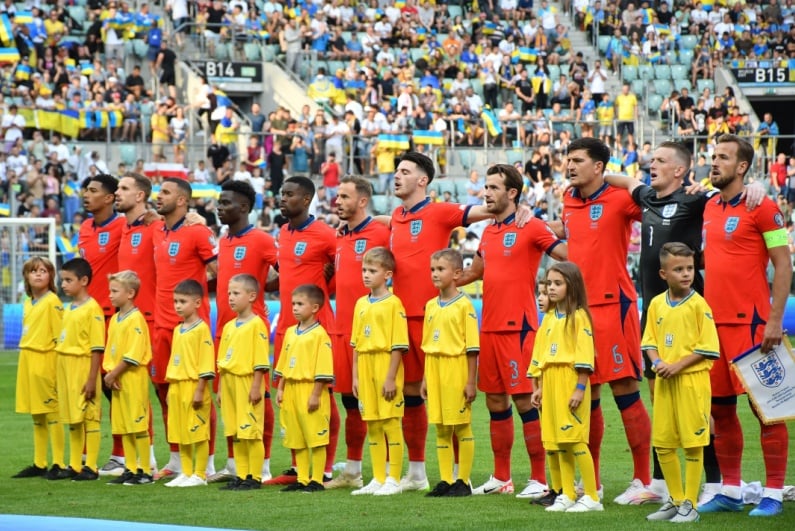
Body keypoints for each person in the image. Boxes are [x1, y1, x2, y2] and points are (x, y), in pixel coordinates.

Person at [387, 151, 529, 490]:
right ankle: (418, 473)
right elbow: (383, 223)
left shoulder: (440, 212)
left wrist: (520, 209)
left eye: (404, 171)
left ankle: (456, 476)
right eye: (396, 171)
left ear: (422, 180)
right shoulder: (394, 215)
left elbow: (488, 209)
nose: (396, 176)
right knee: (410, 396)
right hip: (400, 316)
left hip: (437, 318)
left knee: (447, 399)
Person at [458, 164, 566, 499]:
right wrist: (437, 279)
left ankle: (538, 478)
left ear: (512, 193)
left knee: (524, 401)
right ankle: (501, 477)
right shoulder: (488, 232)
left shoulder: (531, 226)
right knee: (494, 402)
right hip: (488, 327)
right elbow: (473, 271)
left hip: (518, 328)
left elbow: (566, 255)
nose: (486, 192)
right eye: (485, 187)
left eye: (493, 187)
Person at [555, 137, 653, 504]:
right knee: (586, 394)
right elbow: (572, 237)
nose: (570, 165)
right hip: (578, 311)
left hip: (615, 306)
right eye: (568, 160)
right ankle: (590, 482)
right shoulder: (568, 198)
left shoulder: (620, 198)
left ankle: (644, 481)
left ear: (599, 167)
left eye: (578, 160)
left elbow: (658, 211)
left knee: (625, 389)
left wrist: (626, 180)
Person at [698, 135, 791, 517]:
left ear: (741, 167)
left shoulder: (763, 206)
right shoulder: (708, 206)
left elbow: (783, 265)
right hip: (713, 328)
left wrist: (774, 321)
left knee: (767, 410)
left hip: (753, 326)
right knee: (720, 411)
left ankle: (772, 493)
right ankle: (732, 490)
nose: (714, 162)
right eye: (712, 155)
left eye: (723, 157)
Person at [266, 176, 338, 486]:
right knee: (291, 399)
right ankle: (300, 468)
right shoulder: (283, 231)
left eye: (289, 194)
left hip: (318, 326)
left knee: (324, 398)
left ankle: (327, 468)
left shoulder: (323, 233)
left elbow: (345, 267)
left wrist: (329, 282)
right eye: (281, 193)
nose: (282, 198)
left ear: (306, 199)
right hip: (287, 326)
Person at [643, 243, 719, 523]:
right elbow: (649, 341)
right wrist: (657, 362)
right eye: (679, 269)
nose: (686, 274)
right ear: (664, 273)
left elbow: (708, 348)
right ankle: (674, 500)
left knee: (692, 443)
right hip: (665, 383)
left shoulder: (699, 305)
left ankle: (690, 504)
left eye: (689, 268)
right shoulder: (656, 304)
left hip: (691, 383)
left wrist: (676, 365)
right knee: (663, 443)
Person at [212, 180, 278, 484]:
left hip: (252, 327)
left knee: (258, 396)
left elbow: (285, 271)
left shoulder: (261, 240)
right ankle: (235, 464)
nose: (219, 207)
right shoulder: (223, 240)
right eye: (219, 202)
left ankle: (262, 465)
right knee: (230, 397)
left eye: (226, 203)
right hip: (226, 329)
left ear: (245, 207)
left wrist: (261, 290)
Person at [326, 176, 390, 489]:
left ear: (362, 201)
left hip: (375, 334)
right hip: (343, 331)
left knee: (382, 404)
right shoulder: (339, 237)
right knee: (351, 402)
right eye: (337, 196)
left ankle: (388, 472)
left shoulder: (381, 231)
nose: (337, 201)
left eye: (344, 197)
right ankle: (353, 470)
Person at [152, 178, 218, 480]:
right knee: (167, 393)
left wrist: (196, 298)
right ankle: (177, 458)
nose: (159, 196)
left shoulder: (198, 232)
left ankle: (207, 461)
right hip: (162, 325)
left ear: (182, 200)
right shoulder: (158, 230)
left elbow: (218, 268)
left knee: (199, 393)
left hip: (191, 327)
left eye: (165, 192)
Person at [529, 262, 601, 513]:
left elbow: (585, 358)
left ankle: (592, 496)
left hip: (570, 381)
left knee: (575, 440)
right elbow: (539, 356)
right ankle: (567, 493)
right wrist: (537, 387)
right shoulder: (549, 318)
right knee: (558, 442)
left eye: (557, 283)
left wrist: (580, 388)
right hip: (550, 382)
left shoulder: (579, 317)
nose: (551, 288)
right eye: (549, 283)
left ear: (572, 286)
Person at [350, 247, 409, 496]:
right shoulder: (360, 303)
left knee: (390, 422)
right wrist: (355, 376)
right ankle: (377, 477)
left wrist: (390, 378)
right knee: (372, 423)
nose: (366, 275)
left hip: (385, 364)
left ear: (387, 275)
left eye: (372, 271)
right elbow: (355, 343)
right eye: (364, 270)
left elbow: (398, 345)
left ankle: (394, 478)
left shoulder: (394, 304)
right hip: (365, 366)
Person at [421, 249, 479, 497]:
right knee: (441, 427)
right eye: (433, 269)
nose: (435, 274)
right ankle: (446, 479)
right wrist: (425, 378)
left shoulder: (464, 305)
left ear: (457, 274)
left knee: (461, 426)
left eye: (440, 269)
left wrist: (470, 381)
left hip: (456, 368)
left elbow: (472, 348)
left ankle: (463, 481)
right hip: (434, 369)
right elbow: (427, 345)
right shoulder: (431, 305)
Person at [275, 285, 335, 494]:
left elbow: (323, 368)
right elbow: (283, 363)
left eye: (300, 304)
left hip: (310, 390)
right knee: (296, 437)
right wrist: (281, 388)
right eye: (293, 304)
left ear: (315, 307)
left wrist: (316, 394)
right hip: (291, 389)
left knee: (315, 438)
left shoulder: (320, 335)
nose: (295, 308)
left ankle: (316, 480)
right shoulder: (291, 332)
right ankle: (301, 478)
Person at [216, 274, 271, 491]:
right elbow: (222, 361)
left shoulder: (257, 325)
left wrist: (257, 386)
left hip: (247, 382)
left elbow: (260, 360)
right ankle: (241, 474)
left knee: (251, 431)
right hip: (229, 382)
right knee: (236, 432)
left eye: (236, 293)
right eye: (229, 293)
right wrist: (220, 387)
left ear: (251, 296)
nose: (230, 297)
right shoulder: (229, 326)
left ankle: (254, 476)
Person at [13, 257, 65, 480]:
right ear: (26, 276)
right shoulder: (27, 301)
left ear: (50, 276)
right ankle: (39, 462)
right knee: (37, 414)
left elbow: (59, 337)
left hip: (45, 359)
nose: (38, 274)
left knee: (52, 411)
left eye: (43, 271)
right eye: (33, 271)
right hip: (27, 359)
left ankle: (59, 463)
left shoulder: (53, 302)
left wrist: (56, 368)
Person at [55, 258, 105, 481]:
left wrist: (92, 378)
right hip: (65, 366)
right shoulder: (68, 308)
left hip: (83, 367)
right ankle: (75, 464)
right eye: (62, 280)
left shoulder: (92, 309)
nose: (63, 284)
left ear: (83, 280)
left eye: (68, 280)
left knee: (89, 415)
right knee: (73, 417)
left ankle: (91, 466)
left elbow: (96, 348)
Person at [163, 280, 215, 488]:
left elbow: (205, 360)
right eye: (175, 301)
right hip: (177, 386)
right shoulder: (178, 329)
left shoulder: (201, 329)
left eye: (182, 301)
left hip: (193, 386)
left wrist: (200, 389)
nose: (177, 305)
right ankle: (185, 471)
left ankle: (200, 474)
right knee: (180, 431)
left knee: (198, 432)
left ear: (196, 302)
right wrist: (170, 387)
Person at [103, 271, 153, 486]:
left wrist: (114, 373)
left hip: (132, 378)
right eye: (110, 291)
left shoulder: (136, 320)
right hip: (117, 379)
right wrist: (109, 373)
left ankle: (145, 471)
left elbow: (133, 354)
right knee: (124, 425)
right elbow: (110, 351)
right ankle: (130, 468)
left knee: (137, 424)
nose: (110, 295)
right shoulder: (115, 318)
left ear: (130, 293)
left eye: (115, 291)